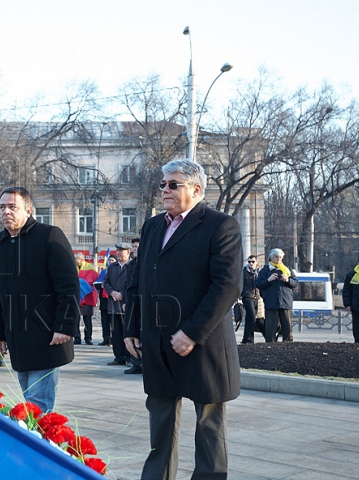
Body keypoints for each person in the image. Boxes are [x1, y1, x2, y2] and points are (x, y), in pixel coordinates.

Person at [124, 159, 242, 479]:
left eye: (173, 184)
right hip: (158, 344)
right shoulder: (152, 227)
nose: (164, 190)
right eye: (163, 184)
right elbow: (138, 282)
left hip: (203, 345)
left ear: (196, 189)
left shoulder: (220, 225)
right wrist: (131, 328)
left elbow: (227, 286)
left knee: (209, 428)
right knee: (160, 424)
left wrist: (191, 332)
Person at [0, 186, 79, 413]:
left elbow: (68, 286)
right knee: (28, 403)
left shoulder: (49, 236)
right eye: (2, 208)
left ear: (28, 210)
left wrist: (65, 326)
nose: (6, 212)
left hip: (47, 336)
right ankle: (34, 444)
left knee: (38, 407)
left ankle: (37, 446)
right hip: (17, 339)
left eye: (12, 207)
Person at [256, 248, 297, 343]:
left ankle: (288, 342)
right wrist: (268, 280)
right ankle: (270, 343)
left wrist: (287, 280)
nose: (278, 259)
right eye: (276, 257)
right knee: (270, 325)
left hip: (285, 301)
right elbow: (258, 284)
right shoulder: (265, 270)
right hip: (271, 301)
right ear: (271, 258)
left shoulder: (287, 269)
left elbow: (295, 283)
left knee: (287, 324)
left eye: (280, 257)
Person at [103, 243, 133, 366]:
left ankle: (130, 356)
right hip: (113, 305)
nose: (119, 253)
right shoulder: (112, 267)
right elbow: (106, 282)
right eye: (118, 250)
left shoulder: (132, 266)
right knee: (116, 333)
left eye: (122, 250)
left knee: (128, 331)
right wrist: (112, 293)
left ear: (128, 252)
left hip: (126, 304)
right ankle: (119, 357)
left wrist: (122, 294)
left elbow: (132, 284)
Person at [122, 238, 143, 374]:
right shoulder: (132, 265)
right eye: (134, 247)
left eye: (137, 246)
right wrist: (126, 302)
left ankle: (143, 364)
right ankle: (136, 362)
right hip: (133, 300)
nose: (135, 249)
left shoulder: (145, 262)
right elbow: (129, 286)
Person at [74, 251, 98, 345]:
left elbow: (96, 283)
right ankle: (77, 338)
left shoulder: (90, 268)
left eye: (76, 258)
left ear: (81, 259)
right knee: (76, 319)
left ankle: (88, 338)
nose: (74, 260)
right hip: (76, 298)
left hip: (87, 298)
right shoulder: (73, 267)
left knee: (87, 319)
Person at [96, 255, 117, 346]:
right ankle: (106, 338)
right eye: (110, 260)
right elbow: (97, 283)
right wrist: (101, 285)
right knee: (105, 321)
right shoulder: (104, 272)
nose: (111, 261)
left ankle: (114, 339)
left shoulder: (117, 271)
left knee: (113, 322)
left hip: (113, 300)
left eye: (113, 260)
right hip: (104, 301)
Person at [240, 255, 261, 344]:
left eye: (252, 261)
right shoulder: (244, 271)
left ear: (256, 262)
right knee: (252, 316)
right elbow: (240, 284)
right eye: (249, 262)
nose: (251, 263)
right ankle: (249, 339)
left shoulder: (259, 272)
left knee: (250, 318)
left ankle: (247, 338)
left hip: (256, 297)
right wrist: (238, 295)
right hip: (247, 296)